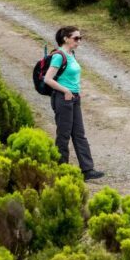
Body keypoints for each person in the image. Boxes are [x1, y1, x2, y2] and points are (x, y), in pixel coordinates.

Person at [44, 26, 104, 181]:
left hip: (74, 98)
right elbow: (48, 79)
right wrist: (66, 91)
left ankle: (87, 170)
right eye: (76, 38)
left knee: (79, 134)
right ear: (66, 38)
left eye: (80, 38)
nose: (79, 41)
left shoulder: (71, 54)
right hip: (63, 98)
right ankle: (61, 170)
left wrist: (75, 91)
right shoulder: (59, 55)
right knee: (63, 135)